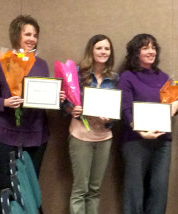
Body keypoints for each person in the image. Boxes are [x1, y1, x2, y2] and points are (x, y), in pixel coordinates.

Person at [0, 15, 65, 214]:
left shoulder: (41, 64)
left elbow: (42, 96)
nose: (32, 39)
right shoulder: (2, 63)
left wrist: (56, 97)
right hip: (3, 134)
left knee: (30, 188)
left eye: (35, 35)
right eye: (27, 34)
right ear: (16, 36)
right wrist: (5, 102)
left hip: (36, 135)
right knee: (5, 187)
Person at [117, 34, 178, 214]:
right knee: (134, 191)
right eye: (145, 48)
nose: (151, 51)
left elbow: (171, 106)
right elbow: (125, 109)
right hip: (135, 141)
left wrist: (176, 105)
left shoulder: (164, 77)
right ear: (136, 52)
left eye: (153, 47)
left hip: (162, 141)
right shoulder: (127, 77)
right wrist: (140, 131)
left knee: (159, 190)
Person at [63, 34, 118, 214]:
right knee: (80, 189)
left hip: (104, 138)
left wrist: (111, 118)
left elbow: (119, 110)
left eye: (107, 48)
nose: (103, 52)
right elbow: (63, 103)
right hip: (81, 137)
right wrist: (72, 110)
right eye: (99, 48)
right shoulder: (77, 74)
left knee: (95, 189)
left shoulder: (115, 78)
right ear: (91, 50)